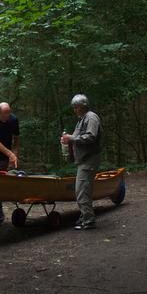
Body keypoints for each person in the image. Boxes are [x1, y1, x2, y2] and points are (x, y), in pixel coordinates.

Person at [61, 94, 102, 230]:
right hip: (83, 159)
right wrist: (68, 139)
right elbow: (76, 137)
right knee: (82, 190)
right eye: (74, 107)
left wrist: (72, 139)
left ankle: (88, 220)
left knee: (82, 190)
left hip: (89, 159)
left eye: (77, 107)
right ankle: (85, 217)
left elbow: (90, 137)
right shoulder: (81, 119)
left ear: (83, 106)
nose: (75, 110)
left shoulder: (91, 117)